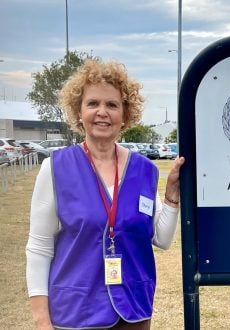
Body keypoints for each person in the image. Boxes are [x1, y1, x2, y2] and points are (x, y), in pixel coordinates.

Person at [25, 59, 185, 329]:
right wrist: (42, 320)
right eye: (93, 104)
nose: (102, 112)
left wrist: (171, 197)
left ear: (125, 115)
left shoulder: (144, 170)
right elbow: (39, 248)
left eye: (112, 105)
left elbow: (162, 239)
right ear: (79, 111)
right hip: (75, 314)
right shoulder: (55, 168)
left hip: (133, 312)